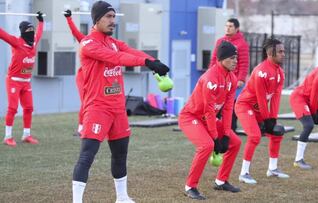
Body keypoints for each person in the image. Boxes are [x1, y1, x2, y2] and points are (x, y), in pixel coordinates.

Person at [71, 1, 169, 203]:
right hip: (97, 108)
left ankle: (122, 197)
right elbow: (115, 58)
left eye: (114, 17)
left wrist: (153, 61)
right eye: (108, 17)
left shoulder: (113, 42)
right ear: (96, 19)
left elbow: (131, 51)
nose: (113, 21)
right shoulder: (88, 44)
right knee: (87, 155)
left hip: (118, 109)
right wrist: (146, 62)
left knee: (120, 154)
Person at [179, 41, 241, 200]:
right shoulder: (210, 79)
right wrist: (215, 137)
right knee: (206, 145)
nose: (236, 61)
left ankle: (221, 181)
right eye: (232, 58)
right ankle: (190, 186)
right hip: (191, 117)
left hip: (209, 118)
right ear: (222, 59)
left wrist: (226, 134)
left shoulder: (232, 78)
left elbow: (227, 108)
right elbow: (208, 110)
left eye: (236, 58)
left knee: (235, 142)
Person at [235, 38, 289, 185]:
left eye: (283, 51)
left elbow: (276, 98)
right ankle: (244, 173)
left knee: (277, 131)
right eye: (280, 51)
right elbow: (260, 97)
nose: (283, 54)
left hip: (259, 108)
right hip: (245, 106)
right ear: (270, 53)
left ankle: (272, 169)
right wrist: (266, 119)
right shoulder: (261, 72)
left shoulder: (280, 72)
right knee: (254, 136)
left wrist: (273, 120)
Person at [1, 12, 44, 147]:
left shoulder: (34, 42)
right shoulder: (16, 42)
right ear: (23, 32)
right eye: (28, 30)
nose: (31, 32)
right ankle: (7, 136)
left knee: (29, 108)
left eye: (32, 30)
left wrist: (41, 21)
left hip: (26, 82)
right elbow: (3, 34)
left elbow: (39, 32)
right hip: (14, 80)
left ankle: (26, 135)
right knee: (13, 108)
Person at [210, 18, 249, 132]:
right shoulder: (220, 41)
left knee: (231, 106)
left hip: (234, 82)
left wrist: (241, 79)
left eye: (230, 26)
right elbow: (214, 59)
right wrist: (210, 74)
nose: (227, 28)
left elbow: (244, 63)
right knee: (216, 105)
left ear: (237, 29)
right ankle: (215, 128)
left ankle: (231, 129)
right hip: (219, 79)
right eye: (226, 26)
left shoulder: (242, 44)